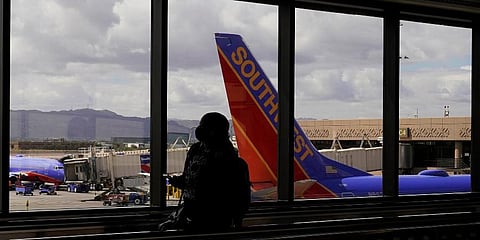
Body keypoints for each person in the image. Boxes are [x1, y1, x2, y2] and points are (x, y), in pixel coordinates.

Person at [167, 112, 250, 232]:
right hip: (200, 219)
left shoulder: (229, 162)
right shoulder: (196, 151)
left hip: (213, 222)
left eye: (204, 126)